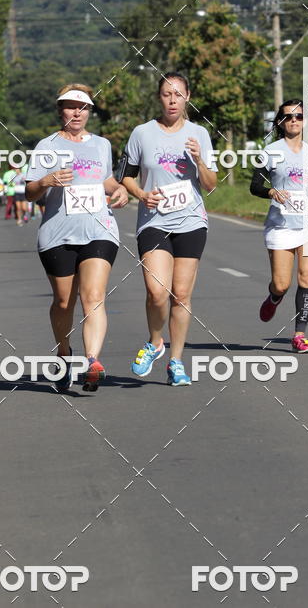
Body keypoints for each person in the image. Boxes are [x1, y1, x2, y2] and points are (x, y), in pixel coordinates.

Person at [25, 84, 128, 392]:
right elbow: (30, 192)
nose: (76, 112)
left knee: (93, 296)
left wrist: (119, 189)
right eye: (70, 106)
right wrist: (46, 180)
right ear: (60, 111)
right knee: (63, 301)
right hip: (58, 232)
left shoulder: (101, 145)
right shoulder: (46, 146)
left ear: (89, 112)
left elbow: (106, 179)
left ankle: (92, 361)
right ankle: (64, 353)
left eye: (82, 107)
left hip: (99, 229)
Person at [119, 72, 217, 386]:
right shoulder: (142, 133)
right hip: (154, 220)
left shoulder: (199, 134)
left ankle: (176, 361)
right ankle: (155, 341)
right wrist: (142, 194)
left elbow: (211, 185)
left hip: (191, 221)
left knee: (182, 295)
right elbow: (126, 175)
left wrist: (200, 160)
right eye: (166, 94)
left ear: (187, 96)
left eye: (177, 94)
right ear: (159, 98)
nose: (172, 100)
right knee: (156, 291)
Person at [249, 100, 308, 354]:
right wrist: (271, 191)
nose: (294, 120)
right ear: (280, 121)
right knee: (282, 284)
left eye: (299, 116)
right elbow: (255, 185)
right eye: (288, 116)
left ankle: (300, 335)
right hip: (281, 225)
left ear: (304, 121)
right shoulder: (271, 151)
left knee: (306, 277)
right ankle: (274, 297)